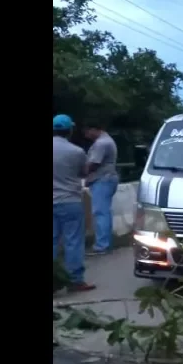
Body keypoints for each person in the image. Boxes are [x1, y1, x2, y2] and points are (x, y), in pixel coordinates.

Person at [53, 114, 96, 292]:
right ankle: (75, 280)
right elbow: (84, 172)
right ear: (69, 130)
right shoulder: (76, 151)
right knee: (73, 241)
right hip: (70, 201)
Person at [83, 121, 120, 256]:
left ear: (94, 129)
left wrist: (83, 173)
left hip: (102, 179)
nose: (86, 135)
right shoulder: (107, 140)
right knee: (105, 212)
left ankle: (101, 246)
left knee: (100, 212)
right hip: (108, 178)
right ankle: (106, 243)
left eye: (87, 132)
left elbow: (93, 164)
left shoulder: (101, 143)